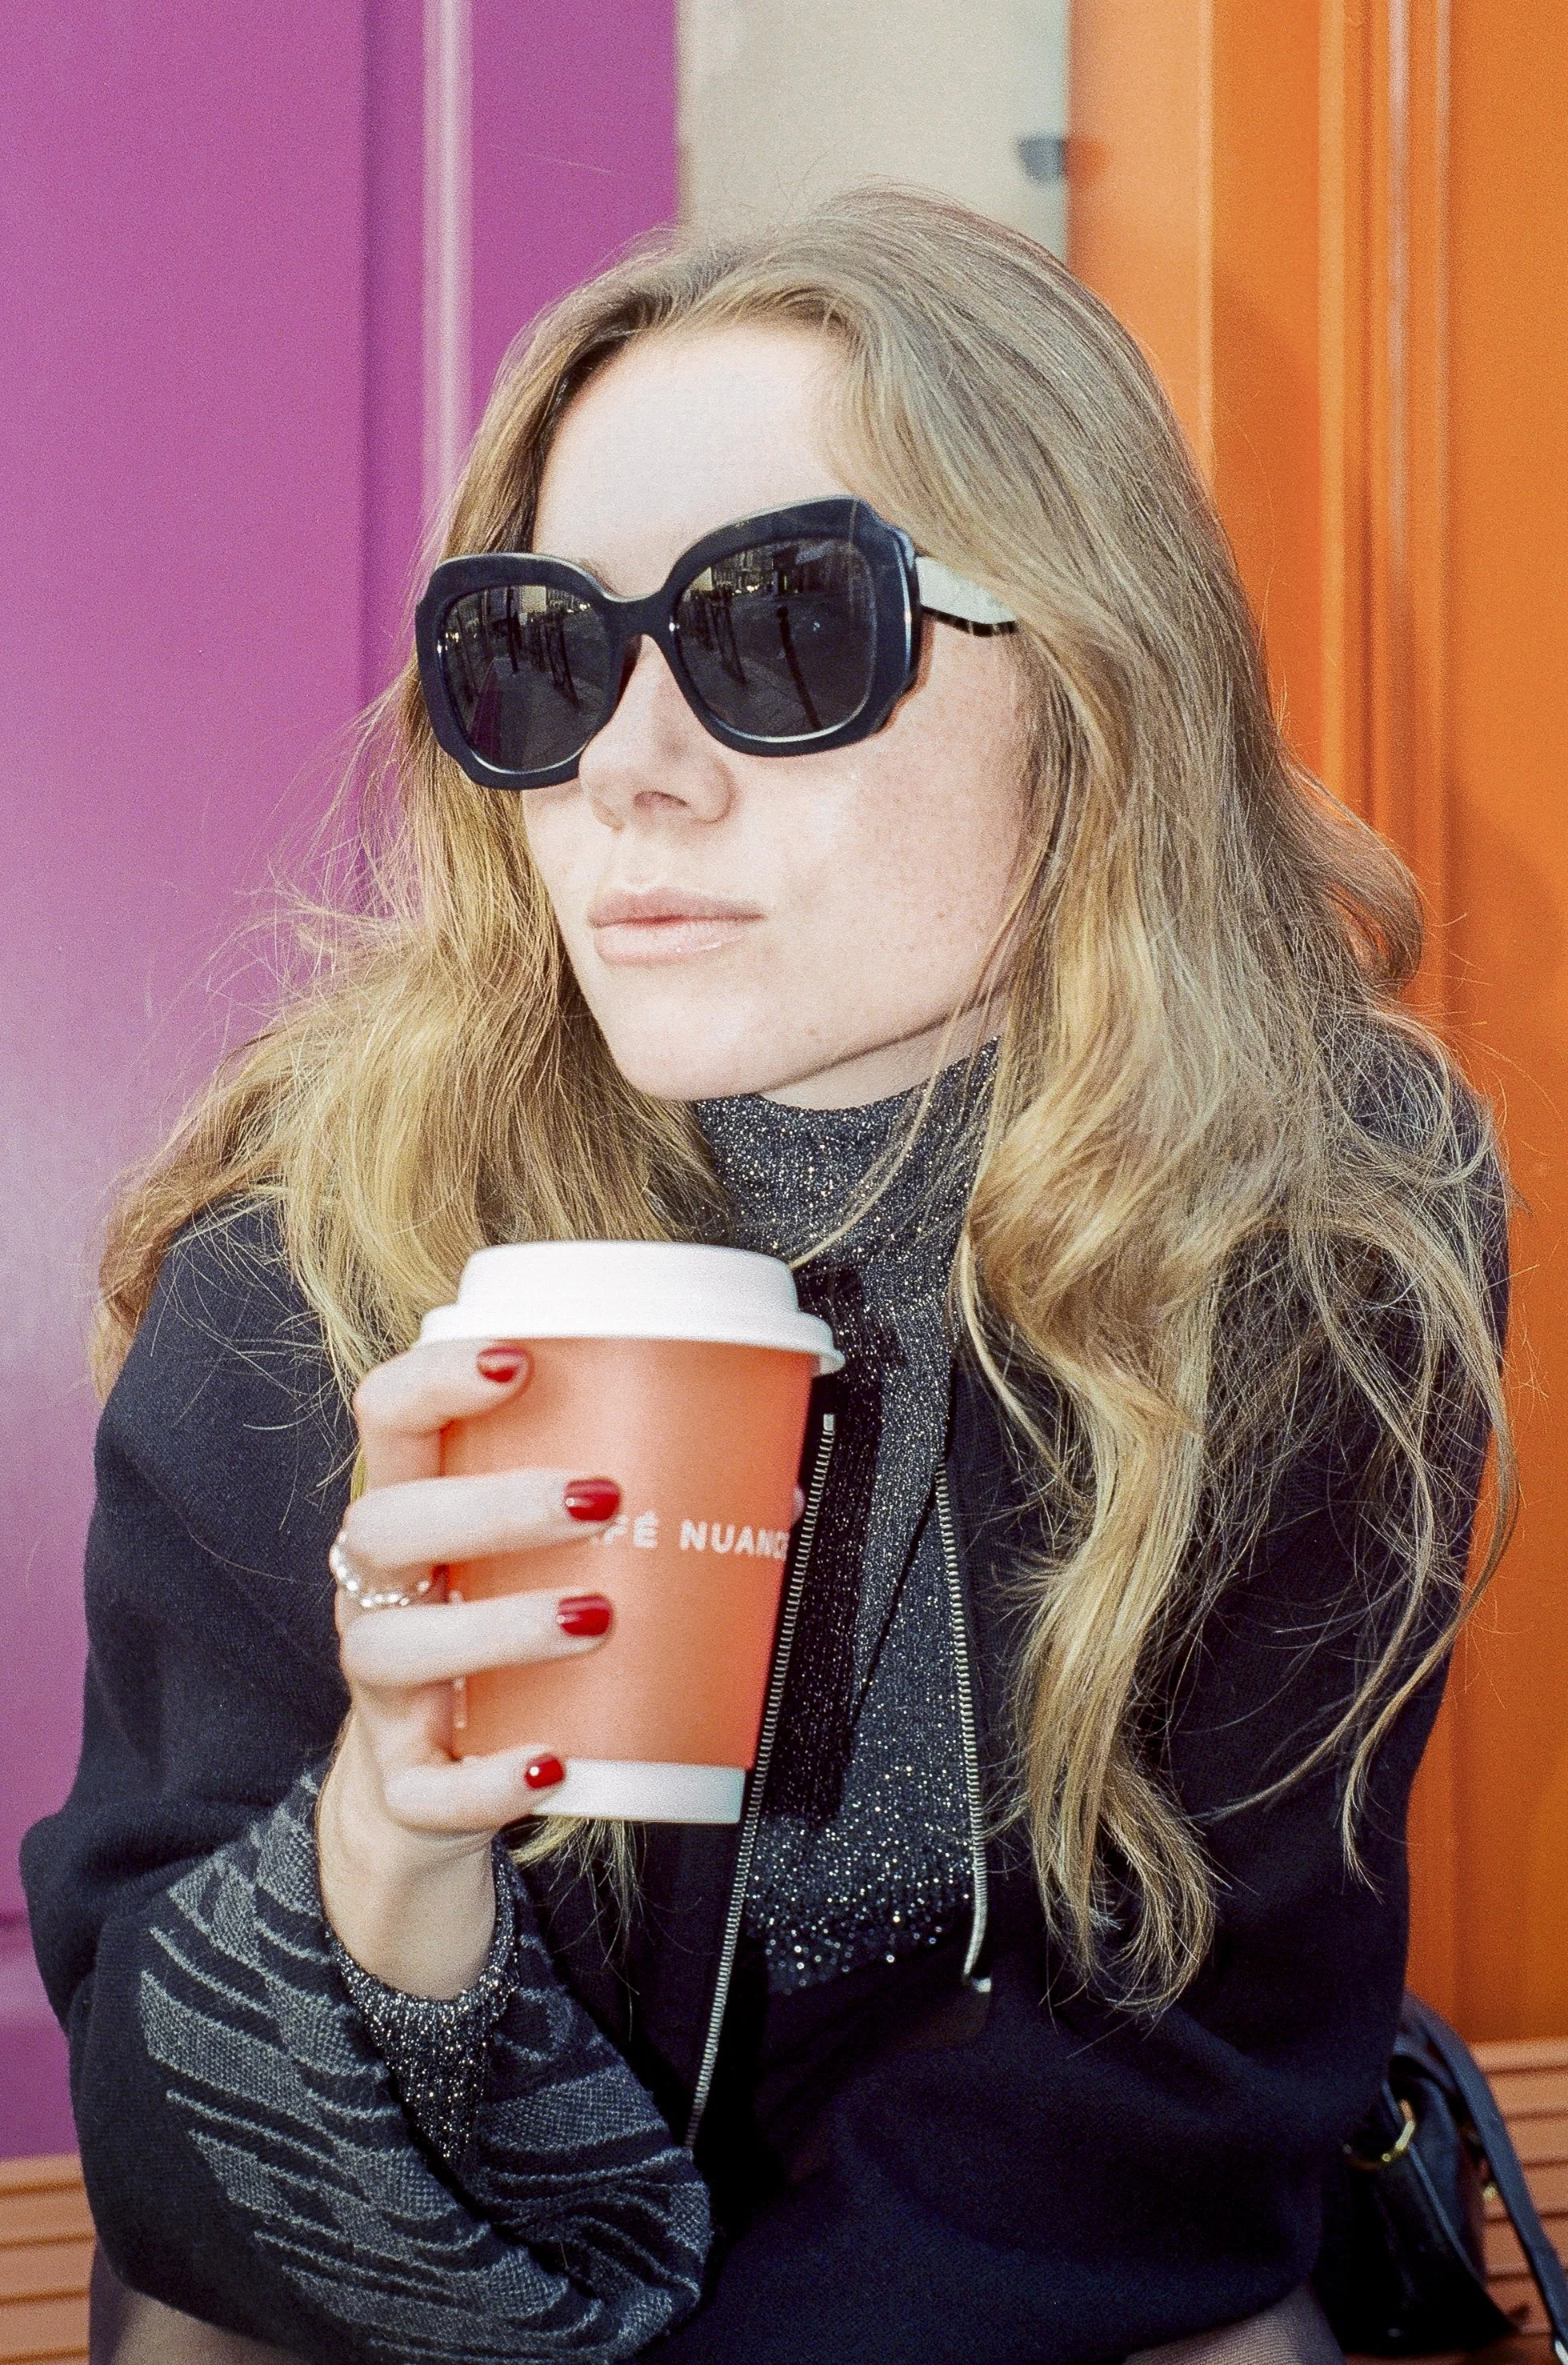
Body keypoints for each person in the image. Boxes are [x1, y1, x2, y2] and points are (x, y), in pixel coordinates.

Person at [23, 188, 1509, 2365]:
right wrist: (384, 1862)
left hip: (1008, 2284)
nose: (630, 772)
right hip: (393, 2279)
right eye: (544, 654)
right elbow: (178, 2153)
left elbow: (1187, 2079)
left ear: (1092, 682)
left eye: (784, 630)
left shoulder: (1311, 1225)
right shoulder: (310, 1236)